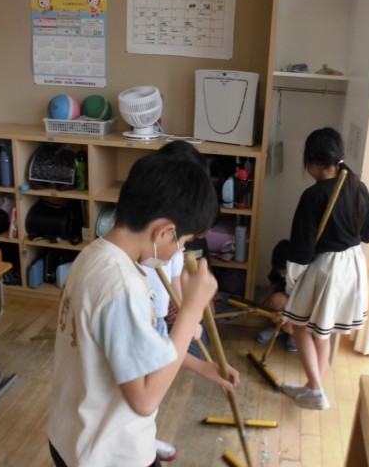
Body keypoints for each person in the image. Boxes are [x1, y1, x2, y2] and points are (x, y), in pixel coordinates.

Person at [47, 152, 240, 467]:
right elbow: (145, 400)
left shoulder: (95, 255)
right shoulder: (122, 288)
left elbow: (131, 349)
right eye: (184, 241)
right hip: (110, 454)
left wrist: (200, 365)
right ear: (164, 232)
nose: (180, 250)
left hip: (71, 436)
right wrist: (191, 310)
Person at [281, 127, 369, 410]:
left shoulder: (313, 195)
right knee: (323, 330)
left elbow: (301, 250)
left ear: (311, 161)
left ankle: (316, 389)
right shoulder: (358, 187)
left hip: (328, 269)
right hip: (353, 264)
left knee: (299, 325)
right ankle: (314, 388)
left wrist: (292, 283)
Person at [255, 239, 298, 352]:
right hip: (283, 299)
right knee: (276, 300)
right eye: (280, 273)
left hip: (298, 306)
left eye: (284, 272)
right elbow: (273, 284)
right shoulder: (278, 266)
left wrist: (287, 315)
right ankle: (278, 328)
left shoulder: (301, 273)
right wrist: (266, 300)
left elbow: (303, 302)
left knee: (291, 325)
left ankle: (294, 334)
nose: (282, 276)